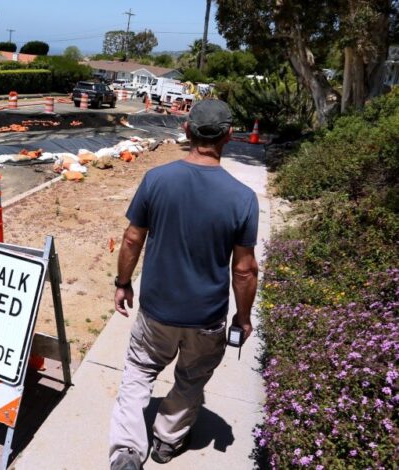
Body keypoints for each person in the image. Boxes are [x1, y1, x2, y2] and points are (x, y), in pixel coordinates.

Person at [108, 100, 259, 470]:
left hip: (157, 310)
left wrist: (123, 283)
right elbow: (244, 270)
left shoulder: (157, 179)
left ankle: (127, 450)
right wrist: (243, 317)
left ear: (188, 131)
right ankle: (166, 440)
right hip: (206, 317)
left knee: (138, 372)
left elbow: (131, 239)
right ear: (229, 135)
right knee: (191, 379)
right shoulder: (243, 199)